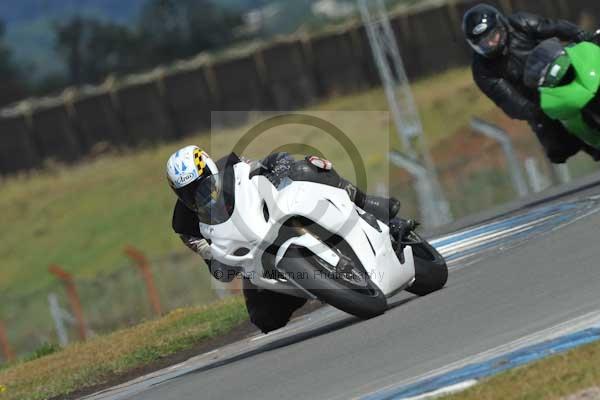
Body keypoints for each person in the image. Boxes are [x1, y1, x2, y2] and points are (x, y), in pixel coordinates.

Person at [166, 145, 407, 333]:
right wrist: (220, 263)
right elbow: (217, 268)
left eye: (201, 185)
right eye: (186, 193)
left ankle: (366, 203)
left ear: (209, 169)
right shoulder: (184, 225)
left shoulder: (231, 166)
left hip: (275, 214)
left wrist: (279, 167)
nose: (195, 195)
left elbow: (265, 164)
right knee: (265, 320)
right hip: (254, 259)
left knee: (305, 167)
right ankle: (315, 285)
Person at [462, 3, 600, 163]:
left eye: (492, 36)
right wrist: (533, 110)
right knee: (559, 146)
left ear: (500, 25)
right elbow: (508, 100)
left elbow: (555, 28)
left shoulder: (520, 23)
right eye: (483, 43)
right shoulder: (482, 71)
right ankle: (591, 145)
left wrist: (583, 35)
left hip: (561, 65)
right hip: (539, 99)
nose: (490, 44)